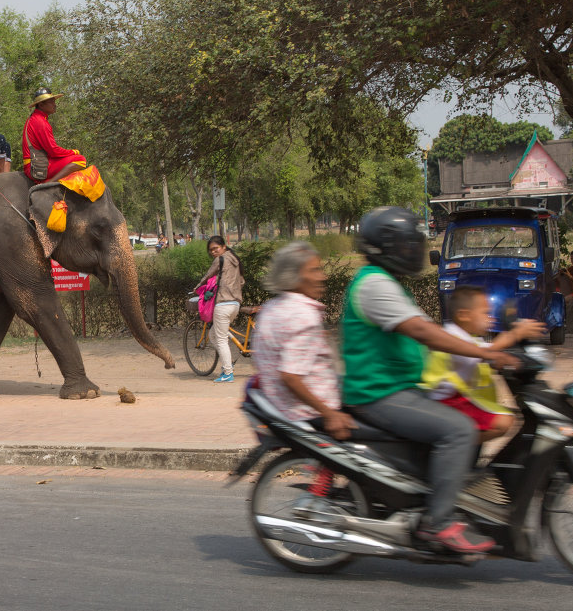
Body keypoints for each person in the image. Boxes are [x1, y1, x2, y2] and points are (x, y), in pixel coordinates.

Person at [341, 206, 518, 555]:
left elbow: (436, 332)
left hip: (402, 387)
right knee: (459, 429)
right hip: (379, 393)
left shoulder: (389, 284)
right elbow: (426, 333)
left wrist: (492, 346)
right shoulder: (375, 284)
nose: (414, 251)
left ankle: (446, 495)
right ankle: (437, 524)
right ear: (386, 247)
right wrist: (486, 354)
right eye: (408, 245)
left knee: (472, 416)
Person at [253, 241, 356, 440]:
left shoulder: (271, 307)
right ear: (295, 277)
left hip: (279, 404)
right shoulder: (303, 315)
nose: (322, 277)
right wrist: (330, 414)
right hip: (307, 409)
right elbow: (290, 376)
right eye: (315, 270)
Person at [422, 286, 545, 443]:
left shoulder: (468, 337)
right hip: (445, 402)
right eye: (485, 313)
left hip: (455, 399)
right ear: (464, 315)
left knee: (504, 415)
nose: (490, 318)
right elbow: (486, 351)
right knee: (503, 422)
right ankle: (457, 444)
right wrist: (515, 333)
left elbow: (488, 352)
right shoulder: (454, 337)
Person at [194, 235, 244, 383]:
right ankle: (227, 363)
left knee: (220, 339)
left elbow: (208, 275)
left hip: (223, 304)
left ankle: (228, 373)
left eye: (216, 248)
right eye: (211, 250)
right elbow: (241, 281)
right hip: (235, 304)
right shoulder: (235, 259)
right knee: (214, 334)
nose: (213, 252)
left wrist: (197, 287)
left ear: (224, 246)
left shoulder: (221, 259)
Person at [22, 87, 86, 183]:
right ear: (41, 104)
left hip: (36, 162)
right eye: (51, 102)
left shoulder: (35, 118)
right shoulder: (40, 121)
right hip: (36, 166)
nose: (54, 105)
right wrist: (73, 152)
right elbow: (53, 151)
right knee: (80, 159)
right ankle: (50, 183)